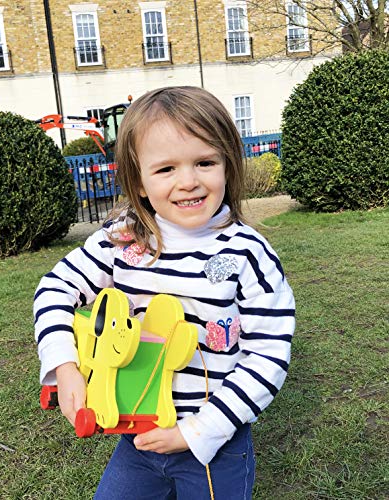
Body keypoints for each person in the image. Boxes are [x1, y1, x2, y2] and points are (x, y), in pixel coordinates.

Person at [34, 86, 295, 499]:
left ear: (228, 165)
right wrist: (63, 366)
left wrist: (196, 432)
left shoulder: (250, 254)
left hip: (214, 445)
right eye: (166, 169)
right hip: (135, 438)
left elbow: (270, 355)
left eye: (205, 162)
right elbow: (55, 288)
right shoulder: (121, 240)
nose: (188, 181)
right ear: (138, 181)